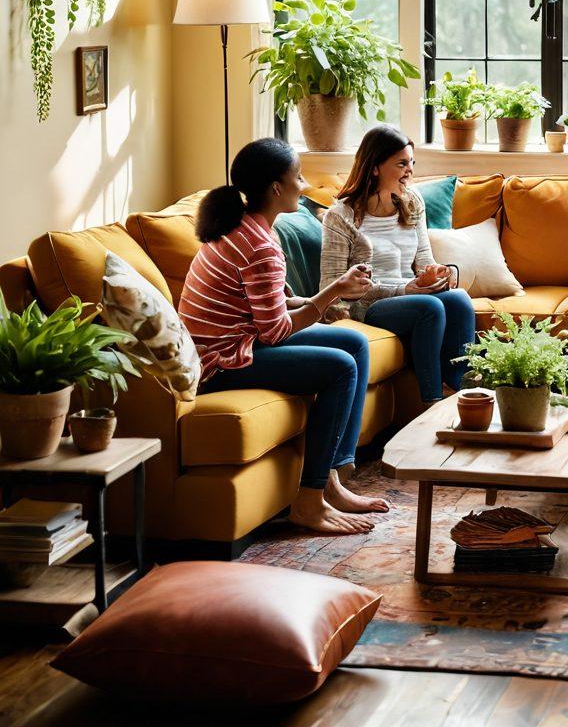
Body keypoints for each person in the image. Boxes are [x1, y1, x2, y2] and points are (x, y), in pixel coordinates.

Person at [178, 138, 388, 535]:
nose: (304, 184)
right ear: (276, 187)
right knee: (341, 367)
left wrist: (325, 295)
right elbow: (274, 331)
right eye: (298, 177)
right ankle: (308, 502)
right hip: (221, 360)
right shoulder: (257, 243)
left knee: (354, 343)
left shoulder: (248, 227)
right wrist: (334, 291)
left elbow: (270, 307)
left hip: (239, 340)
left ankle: (331, 480)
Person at [319, 125, 476, 403]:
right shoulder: (340, 217)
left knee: (459, 299)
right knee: (430, 307)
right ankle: (431, 400)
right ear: (376, 167)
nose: (410, 171)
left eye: (412, 163)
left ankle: (464, 391)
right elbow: (332, 287)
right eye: (402, 163)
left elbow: (425, 260)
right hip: (367, 306)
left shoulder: (412, 201)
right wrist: (405, 291)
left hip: (409, 294)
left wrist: (439, 274)